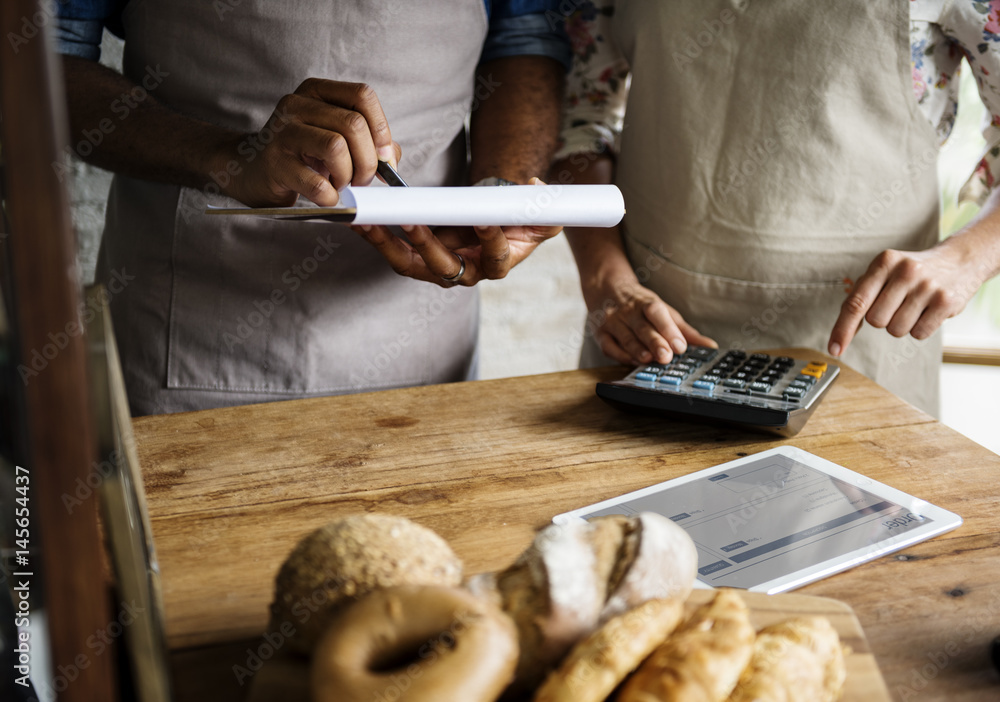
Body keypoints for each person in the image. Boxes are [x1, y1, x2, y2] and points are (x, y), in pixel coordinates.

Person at [55, 1, 570, 415]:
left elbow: (526, 38)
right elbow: (46, 60)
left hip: (424, 328)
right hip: (185, 333)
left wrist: (501, 192)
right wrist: (229, 157)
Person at [551, 0, 1000, 416]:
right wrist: (605, 277)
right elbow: (578, 121)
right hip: (645, 336)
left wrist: (965, 259)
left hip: (864, 344)